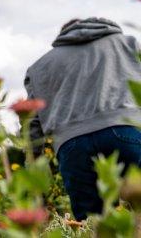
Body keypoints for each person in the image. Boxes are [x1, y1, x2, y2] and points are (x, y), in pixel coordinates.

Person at [23, 17, 141, 220]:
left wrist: (35, 166)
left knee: (92, 222)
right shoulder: (128, 43)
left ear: (63, 35)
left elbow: (31, 123)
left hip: (72, 144)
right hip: (126, 130)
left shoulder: (39, 67)